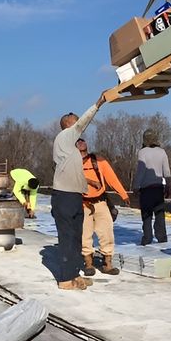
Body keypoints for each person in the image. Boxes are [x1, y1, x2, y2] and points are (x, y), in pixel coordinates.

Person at [51, 94, 107, 290]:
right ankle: (66, 280)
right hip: (64, 196)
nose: (78, 127)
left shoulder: (71, 148)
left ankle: (74, 275)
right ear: (67, 125)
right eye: (74, 121)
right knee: (67, 238)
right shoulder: (65, 136)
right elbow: (82, 123)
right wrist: (98, 104)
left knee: (76, 238)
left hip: (74, 196)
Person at [77, 138, 130, 276]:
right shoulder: (72, 163)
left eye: (83, 140)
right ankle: (88, 264)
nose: (81, 142)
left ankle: (107, 264)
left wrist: (123, 194)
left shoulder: (98, 161)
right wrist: (90, 181)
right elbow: (69, 179)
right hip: (83, 203)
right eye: (78, 142)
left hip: (100, 202)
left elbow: (111, 178)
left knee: (106, 233)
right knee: (85, 234)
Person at [134, 128, 171, 245]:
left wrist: (136, 186)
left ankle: (147, 238)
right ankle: (162, 238)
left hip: (146, 189)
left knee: (147, 215)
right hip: (158, 188)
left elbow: (141, 171)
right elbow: (167, 171)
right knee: (159, 215)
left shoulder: (142, 152)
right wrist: (168, 185)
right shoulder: (162, 152)